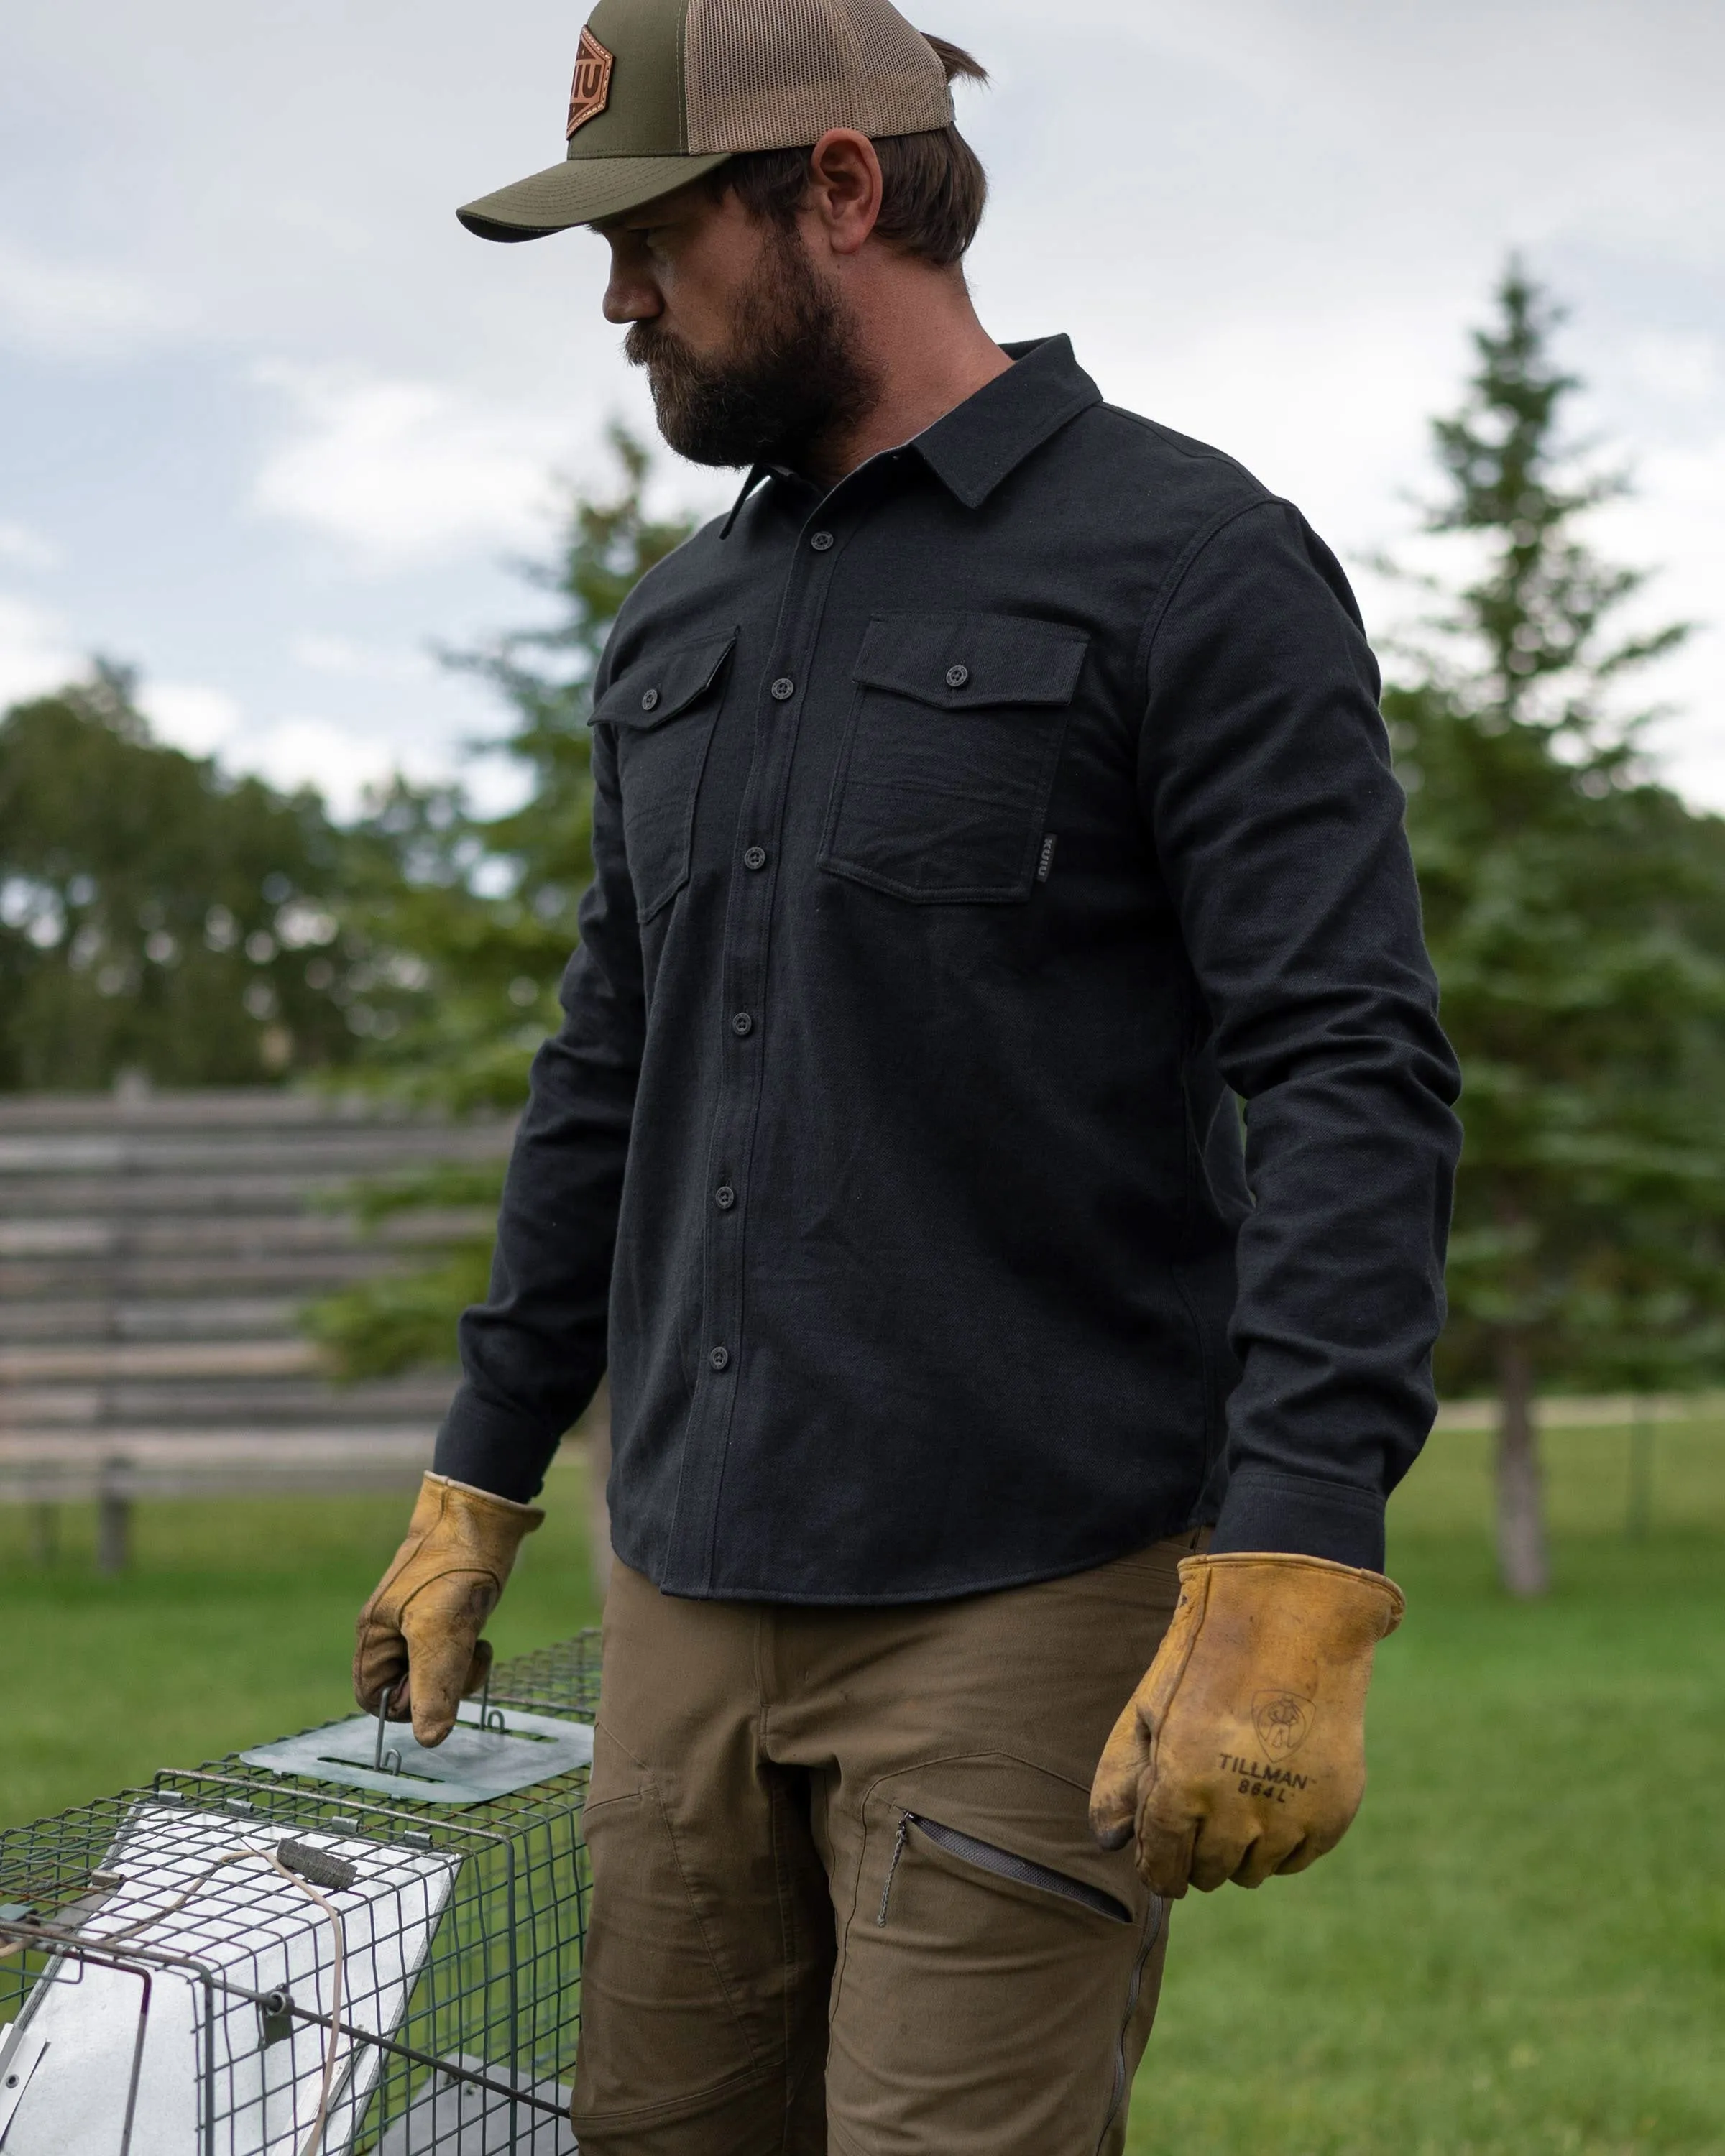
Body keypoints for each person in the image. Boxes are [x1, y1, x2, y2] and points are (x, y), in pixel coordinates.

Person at [354, 3, 1462, 2148]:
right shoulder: (674, 627)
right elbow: (608, 1068)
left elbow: (1347, 1066)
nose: (617, 298)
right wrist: (481, 1475)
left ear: (839, 192)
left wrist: (1303, 1550)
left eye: (657, 237)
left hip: (1022, 1597)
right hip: (679, 1586)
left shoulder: (1193, 564)